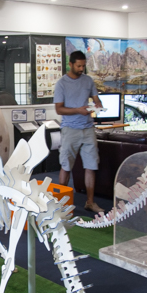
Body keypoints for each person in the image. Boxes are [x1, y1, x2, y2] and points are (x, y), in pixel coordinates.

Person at [54, 50, 104, 213]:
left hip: (88, 128)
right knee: (66, 165)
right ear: (71, 64)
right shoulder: (62, 84)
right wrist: (78, 110)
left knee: (91, 165)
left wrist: (97, 104)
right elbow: (59, 109)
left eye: (83, 65)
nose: (82, 68)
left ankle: (90, 202)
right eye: (79, 66)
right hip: (70, 129)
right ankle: (60, 203)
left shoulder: (88, 81)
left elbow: (97, 100)